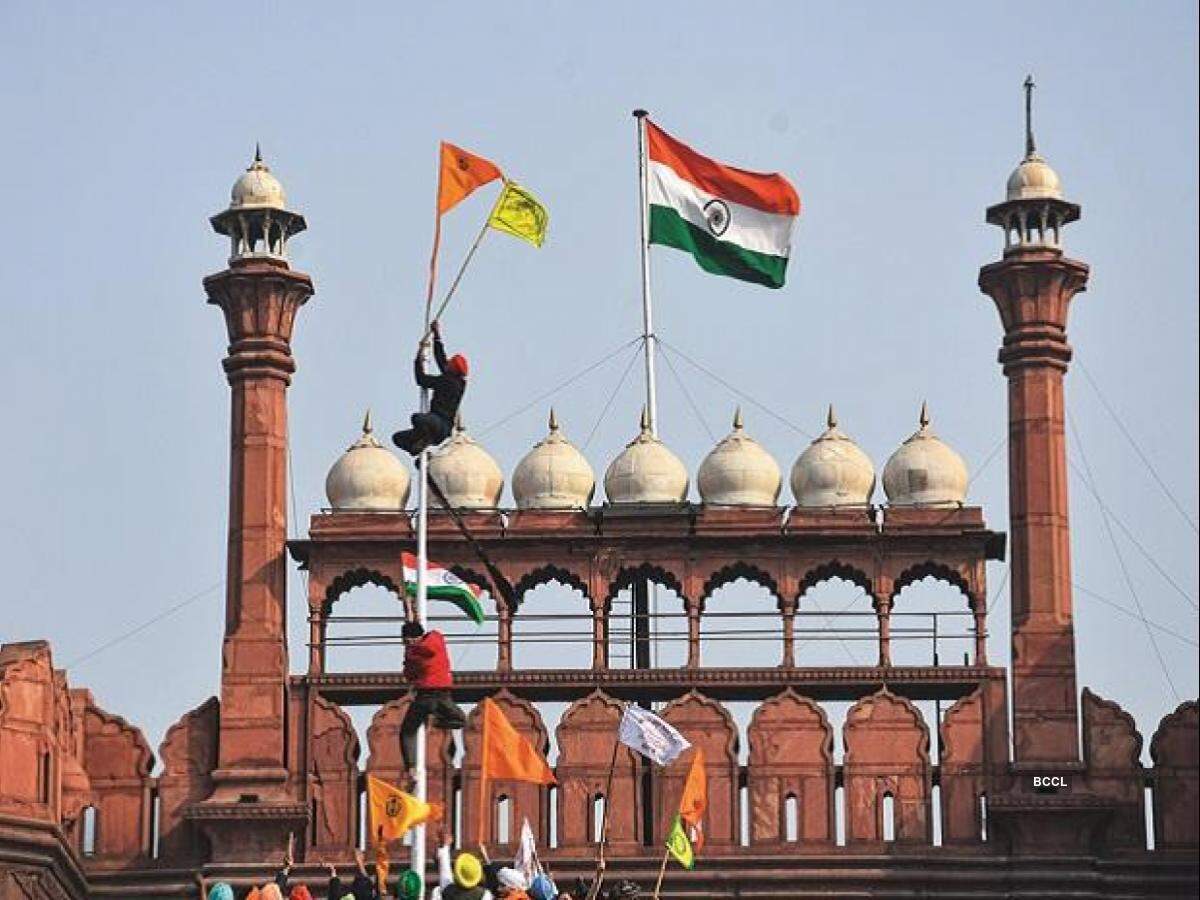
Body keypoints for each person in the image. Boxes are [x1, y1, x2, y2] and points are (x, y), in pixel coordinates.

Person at [399, 619, 467, 778]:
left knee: (408, 731)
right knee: (461, 720)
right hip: (444, 695)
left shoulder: (413, 654)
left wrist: (407, 657)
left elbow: (409, 675)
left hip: (424, 697)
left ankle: (411, 768)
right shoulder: (437, 639)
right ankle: (439, 721)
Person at [392, 319, 469, 457]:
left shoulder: (448, 382)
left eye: (450, 364)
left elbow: (421, 379)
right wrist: (436, 336)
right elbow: (441, 359)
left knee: (417, 418)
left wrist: (418, 359)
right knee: (397, 438)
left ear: (452, 369)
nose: (447, 364)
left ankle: (425, 440)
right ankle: (418, 446)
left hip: (441, 425)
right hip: (433, 426)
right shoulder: (456, 380)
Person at [431, 828, 493, 900]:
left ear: (457, 872)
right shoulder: (485, 895)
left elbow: (445, 871)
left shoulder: (447, 890)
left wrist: (444, 847)